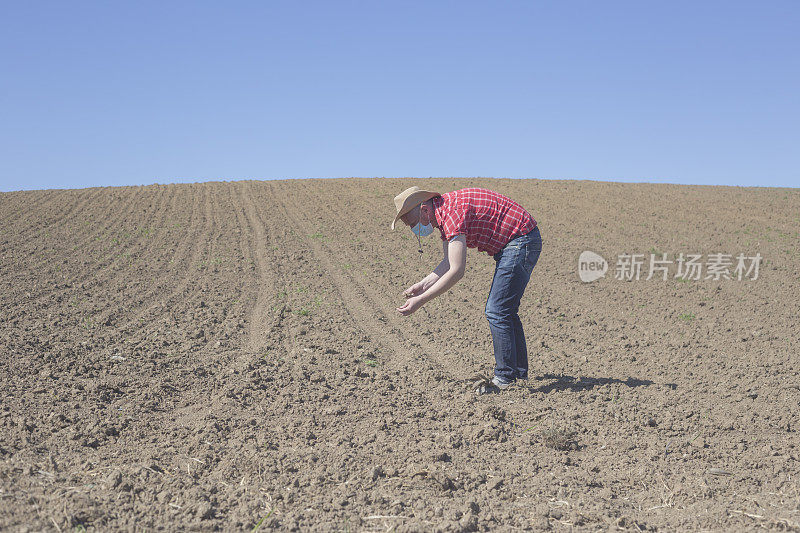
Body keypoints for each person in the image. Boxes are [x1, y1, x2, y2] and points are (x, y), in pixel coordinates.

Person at [391, 186, 542, 393]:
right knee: (505, 311)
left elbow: (457, 270)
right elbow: (447, 262)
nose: (413, 229)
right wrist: (422, 286)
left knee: (496, 310)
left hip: (521, 240)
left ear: (424, 210)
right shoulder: (444, 214)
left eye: (411, 222)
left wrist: (421, 301)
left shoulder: (451, 215)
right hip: (519, 240)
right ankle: (518, 373)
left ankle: (505, 377)